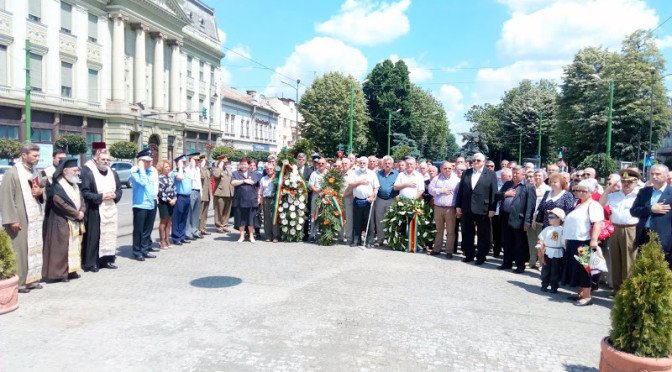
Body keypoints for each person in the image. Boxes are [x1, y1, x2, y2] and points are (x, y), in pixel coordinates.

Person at [0, 143, 44, 293]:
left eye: (38, 155)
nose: (37, 158)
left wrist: (40, 192)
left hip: (34, 217)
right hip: (19, 218)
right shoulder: (12, 173)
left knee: (32, 249)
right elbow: (6, 197)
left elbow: (40, 191)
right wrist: (12, 219)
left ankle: (31, 280)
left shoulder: (35, 172)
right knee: (19, 250)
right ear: (24, 155)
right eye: (34, 155)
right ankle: (19, 282)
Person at [42, 158, 85, 283]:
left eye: (77, 170)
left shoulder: (75, 183)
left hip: (75, 220)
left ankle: (71, 271)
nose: (77, 172)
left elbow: (81, 199)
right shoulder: (57, 184)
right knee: (61, 248)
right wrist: (76, 213)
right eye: (75, 170)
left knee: (73, 246)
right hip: (60, 220)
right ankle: (59, 274)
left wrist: (82, 210)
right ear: (65, 171)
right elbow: (58, 201)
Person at [80, 144, 122, 271]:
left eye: (108, 160)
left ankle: (107, 260)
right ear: (97, 159)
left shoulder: (113, 173)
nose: (105, 162)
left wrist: (115, 195)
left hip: (110, 209)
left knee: (109, 234)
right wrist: (101, 196)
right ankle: (92, 262)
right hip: (95, 209)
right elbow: (85, 192)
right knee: (94, 237)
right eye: (103, 159)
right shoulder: (89, 172)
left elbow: (120, 190)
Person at [562, 179, 604, 306]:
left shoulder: (594, 205)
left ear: (591, 192)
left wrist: (594, 240)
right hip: (574, 240)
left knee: (584, 269)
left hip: (584, 241)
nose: (580, 193)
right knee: (576, 268)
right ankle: (581, 292)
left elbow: (598, 223)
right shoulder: (579, 204)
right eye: (577, 190)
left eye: (583, 191)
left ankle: (587, 296)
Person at [599, 168, 640, 295]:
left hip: (631, 228)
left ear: (636, 182)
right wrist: (609, 188)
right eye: (624, 181)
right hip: (615, 228)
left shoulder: (640, 195)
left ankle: (628, 291)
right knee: (615, 260)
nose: (626, 184)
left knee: (629, 260)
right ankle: (617, 289)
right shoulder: (614, 195)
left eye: (630, 182)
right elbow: (600, 204)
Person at [456, 153, 498, 265]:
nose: (475, 162)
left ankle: (481, 256)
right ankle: (469, 255)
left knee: (483, 234)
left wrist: (492, 208)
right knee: (467, 232)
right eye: (473, 160)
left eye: (478, 160)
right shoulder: (466, 173)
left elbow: (494, 193)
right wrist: (458, 206)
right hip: (467, 207)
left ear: (483, 162)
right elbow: (461, 191)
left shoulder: (491, 174)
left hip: (483, 209)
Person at [630, 164, 672, 269]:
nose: (654, 176)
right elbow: (634, 211)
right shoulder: (644, 192)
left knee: (661, 269)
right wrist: (651, 209)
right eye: (652, 174)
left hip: (663, 237)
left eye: (658, 174)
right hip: (644, 234)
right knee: (643, 267)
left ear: (667, 176)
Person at [497, 166, 536, 273]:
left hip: (519, 219)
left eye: (517, 173)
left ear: (523, 175)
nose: (514, 175)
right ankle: (506, 263)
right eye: (513, 173)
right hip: (505, 217)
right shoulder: (507, 184)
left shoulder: (528, 187)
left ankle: (520, 265)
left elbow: (530, 206)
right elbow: (497, 196)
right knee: (506, 242)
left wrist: (527, 222)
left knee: (519, 244)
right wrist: (505, 194)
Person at [129, 149, 159, 261]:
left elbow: (155, 186)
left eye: (150, 161)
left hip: (151, 202)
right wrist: (141, 168)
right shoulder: (135, 171)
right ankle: (137, 251)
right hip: (140, 204)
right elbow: (143, 182)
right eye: (146, 161)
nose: (149, 163)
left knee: (148, 229)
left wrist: (156, 197)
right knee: (139, 229)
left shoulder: (152, 171)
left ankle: (145, 249)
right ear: (140, 161)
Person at [346, 156, 379, 247]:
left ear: (367, 164)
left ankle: (369, 241)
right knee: (357, 221)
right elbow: (351, 184)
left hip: (368, 201)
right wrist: (361, 182)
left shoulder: (372, 174)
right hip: (357, 200)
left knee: (369, 222)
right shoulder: (354, 173)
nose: (362, 164)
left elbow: (376, 187)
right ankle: (356, 240)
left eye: (364, 163)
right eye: (361, 163)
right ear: (358, 163)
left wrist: (373, 196)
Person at [429, 161, 459, 258]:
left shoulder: (457, 180)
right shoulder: (436, 179)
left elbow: (460, 194)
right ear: (441, 169)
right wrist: (441, 190)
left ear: (452, 169)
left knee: (450, 231)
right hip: (438, 208)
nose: (447, 170)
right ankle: (436, 249)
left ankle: (449, 251)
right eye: (445, 168)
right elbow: (430, 190)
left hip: (450, 209)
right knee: (439, 230)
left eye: (449, 168)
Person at [231, 157, 260, 243]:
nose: (243, 165)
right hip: (239, 200)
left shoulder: (254, 173)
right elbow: (233, 182)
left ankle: (251, 236)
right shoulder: (235, 173)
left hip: (251, 200)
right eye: (242, 164)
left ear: (248, 165)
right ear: (239, 165)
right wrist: (244, 181)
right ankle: (242, 236)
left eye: (245, 164)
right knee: (241, 219)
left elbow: (256, 184)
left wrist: (258, 196)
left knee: (251, 219)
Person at [527, 170, 551, 270]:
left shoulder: (548, 189)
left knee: (541, 242)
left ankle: (541, 263)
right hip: (530, 218)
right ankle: (532, 261)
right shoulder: (530, 188)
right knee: (531, 241)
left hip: (541, 219)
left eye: (539, 176)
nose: (537, 177)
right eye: (535, 176)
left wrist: (535, 218)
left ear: (544, 177)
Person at [371, 156, 398, 247]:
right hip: (380, 200)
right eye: (385, 163)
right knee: (379, 220)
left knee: (391, 221)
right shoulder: (378, 174)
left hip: (392, 199)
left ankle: (391, 240)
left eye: (389, 163)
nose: (387, 165)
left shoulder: (396, 174)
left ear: (392, 164)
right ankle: (380, 239)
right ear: (383, 164)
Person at [538, 208, 565, 293]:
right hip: (547, 251)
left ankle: (554, 286)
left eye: (551, 217)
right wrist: (540, 245)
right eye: (548, 217)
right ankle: (544, 284)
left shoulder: (562, 230)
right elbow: (541, 239)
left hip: (557, 253)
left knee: (555, 271)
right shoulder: (547, 229)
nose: (549, 219)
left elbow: (564, 242)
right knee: (545, 269)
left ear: (559, 219)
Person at [170, 155, 191, 245]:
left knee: (184, 218)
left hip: (187, 197)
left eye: (185, 162)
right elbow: (179, 178)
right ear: (178, 163)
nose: (184, 164)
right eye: (183, 162)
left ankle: (182, 236)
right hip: (179, 197)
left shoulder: (186, 172)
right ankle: (176, 237)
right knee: (177, 218)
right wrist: (180, 167)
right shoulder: (175, 173)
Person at [492, 168, 512, 258]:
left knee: (506, 235)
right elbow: (497, 196)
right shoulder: (500, 184)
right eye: (502, 176)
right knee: (497, 233)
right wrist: (505, 194)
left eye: (504, 176)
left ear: (509, 176)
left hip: (508, 213)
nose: (502, 178)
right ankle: (496, 251)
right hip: (497, 212)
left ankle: (506, 252)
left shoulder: (511, 184)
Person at [157, 159, 177, 249]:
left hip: (172, 202)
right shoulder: (160, 178)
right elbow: (161, 192)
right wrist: (170, 200)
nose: (168, 168)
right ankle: (162, 241)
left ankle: (167, 239)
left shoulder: (170, 177)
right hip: (163, 202)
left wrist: (175, 198)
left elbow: (174, 189)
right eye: (166, 167)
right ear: (162, 168)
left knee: (169, 221)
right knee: (163, 221)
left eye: (169, 166)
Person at [212, 156, 234, 233]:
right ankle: (218, 226)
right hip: (220, 193)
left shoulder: (228, 170)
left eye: (226, 162)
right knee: (219, 211)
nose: (226, 164)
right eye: (224, 162)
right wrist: (220, 166)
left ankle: (224, 225)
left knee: (227, 211)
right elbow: (216, 175)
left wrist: (228, 170)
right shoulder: (216, 169)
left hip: (229, 193)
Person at [308, 157, 328, 242]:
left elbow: (331, 185)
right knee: (314, 215)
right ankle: (313, 234)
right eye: (319, 163)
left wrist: (323, 192)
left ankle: (324, 235)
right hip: (316, 196)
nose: (321, 165)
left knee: (326, 215)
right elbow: (311, 185)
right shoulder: (314, 173)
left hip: (326, 197)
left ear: (326, 164)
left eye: (323, 163)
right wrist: (317, 191)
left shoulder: (329, 174)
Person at [259, 162, 279, 242]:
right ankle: (268, 235)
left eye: (270, 169)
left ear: (273, 169)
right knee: (267, 218)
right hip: (266, 199)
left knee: (275, 217)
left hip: (275, 200)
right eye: (267, 169)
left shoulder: (277, 178)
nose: (269, 170)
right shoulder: (263, 179)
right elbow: (261, 191)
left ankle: (275, 236)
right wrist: (260, 200)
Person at [185, 154, 202, 240]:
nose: (197, 162)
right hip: (191, 191)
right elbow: (191, 178)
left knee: (196, 213)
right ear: (191, 160)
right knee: (189, 212)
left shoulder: (198, 169)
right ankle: (188, 232)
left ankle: (194, 230)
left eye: (198, 160)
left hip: (197, 190)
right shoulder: (187, 169)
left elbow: (199, 182)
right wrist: (192, 167)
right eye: (195, 160)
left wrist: (201, 193)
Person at [297, 153, 313, 240]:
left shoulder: (309, 171)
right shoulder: (293, 169)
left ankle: (305, 234)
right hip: (294, 196)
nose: (300, 161)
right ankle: (296, 233)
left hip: (305, 196)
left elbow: (311, 185)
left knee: (306, 215)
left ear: (305, 161)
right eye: (299, 159)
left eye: (302, 159)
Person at [340, 157, 354, 243]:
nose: (344, 165)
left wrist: (344, 195)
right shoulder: (339, 174)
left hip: (348, 198)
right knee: (340, 217)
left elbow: (353, 188)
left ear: (349, 165)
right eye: (343, 163)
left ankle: (349, 237)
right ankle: (340, 236)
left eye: (346, 163)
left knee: (349, 219)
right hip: (339, 199)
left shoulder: (352, 174)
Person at [198, 155, 212, 236]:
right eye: (204, 161)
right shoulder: (199, 169)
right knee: (199, 213)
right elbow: (202, 178)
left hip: (207, 194)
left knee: (205, 214)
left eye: (206, 161)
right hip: (202, 194)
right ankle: (197, 229)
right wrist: (202, 167)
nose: (206, 162)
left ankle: (203, 228)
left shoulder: (206, 170)